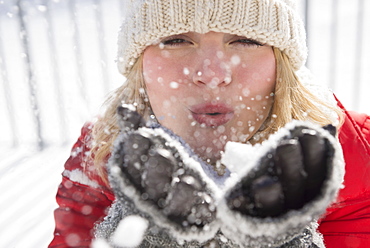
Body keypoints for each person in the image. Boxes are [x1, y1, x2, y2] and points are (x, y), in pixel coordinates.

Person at [49, 0, 370, 247]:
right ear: (139, 66)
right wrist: (138, 233)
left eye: (245, 40)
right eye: (176, 40)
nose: (212, 74)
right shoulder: (100, 156)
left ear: (281, 64)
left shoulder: (361, 159)